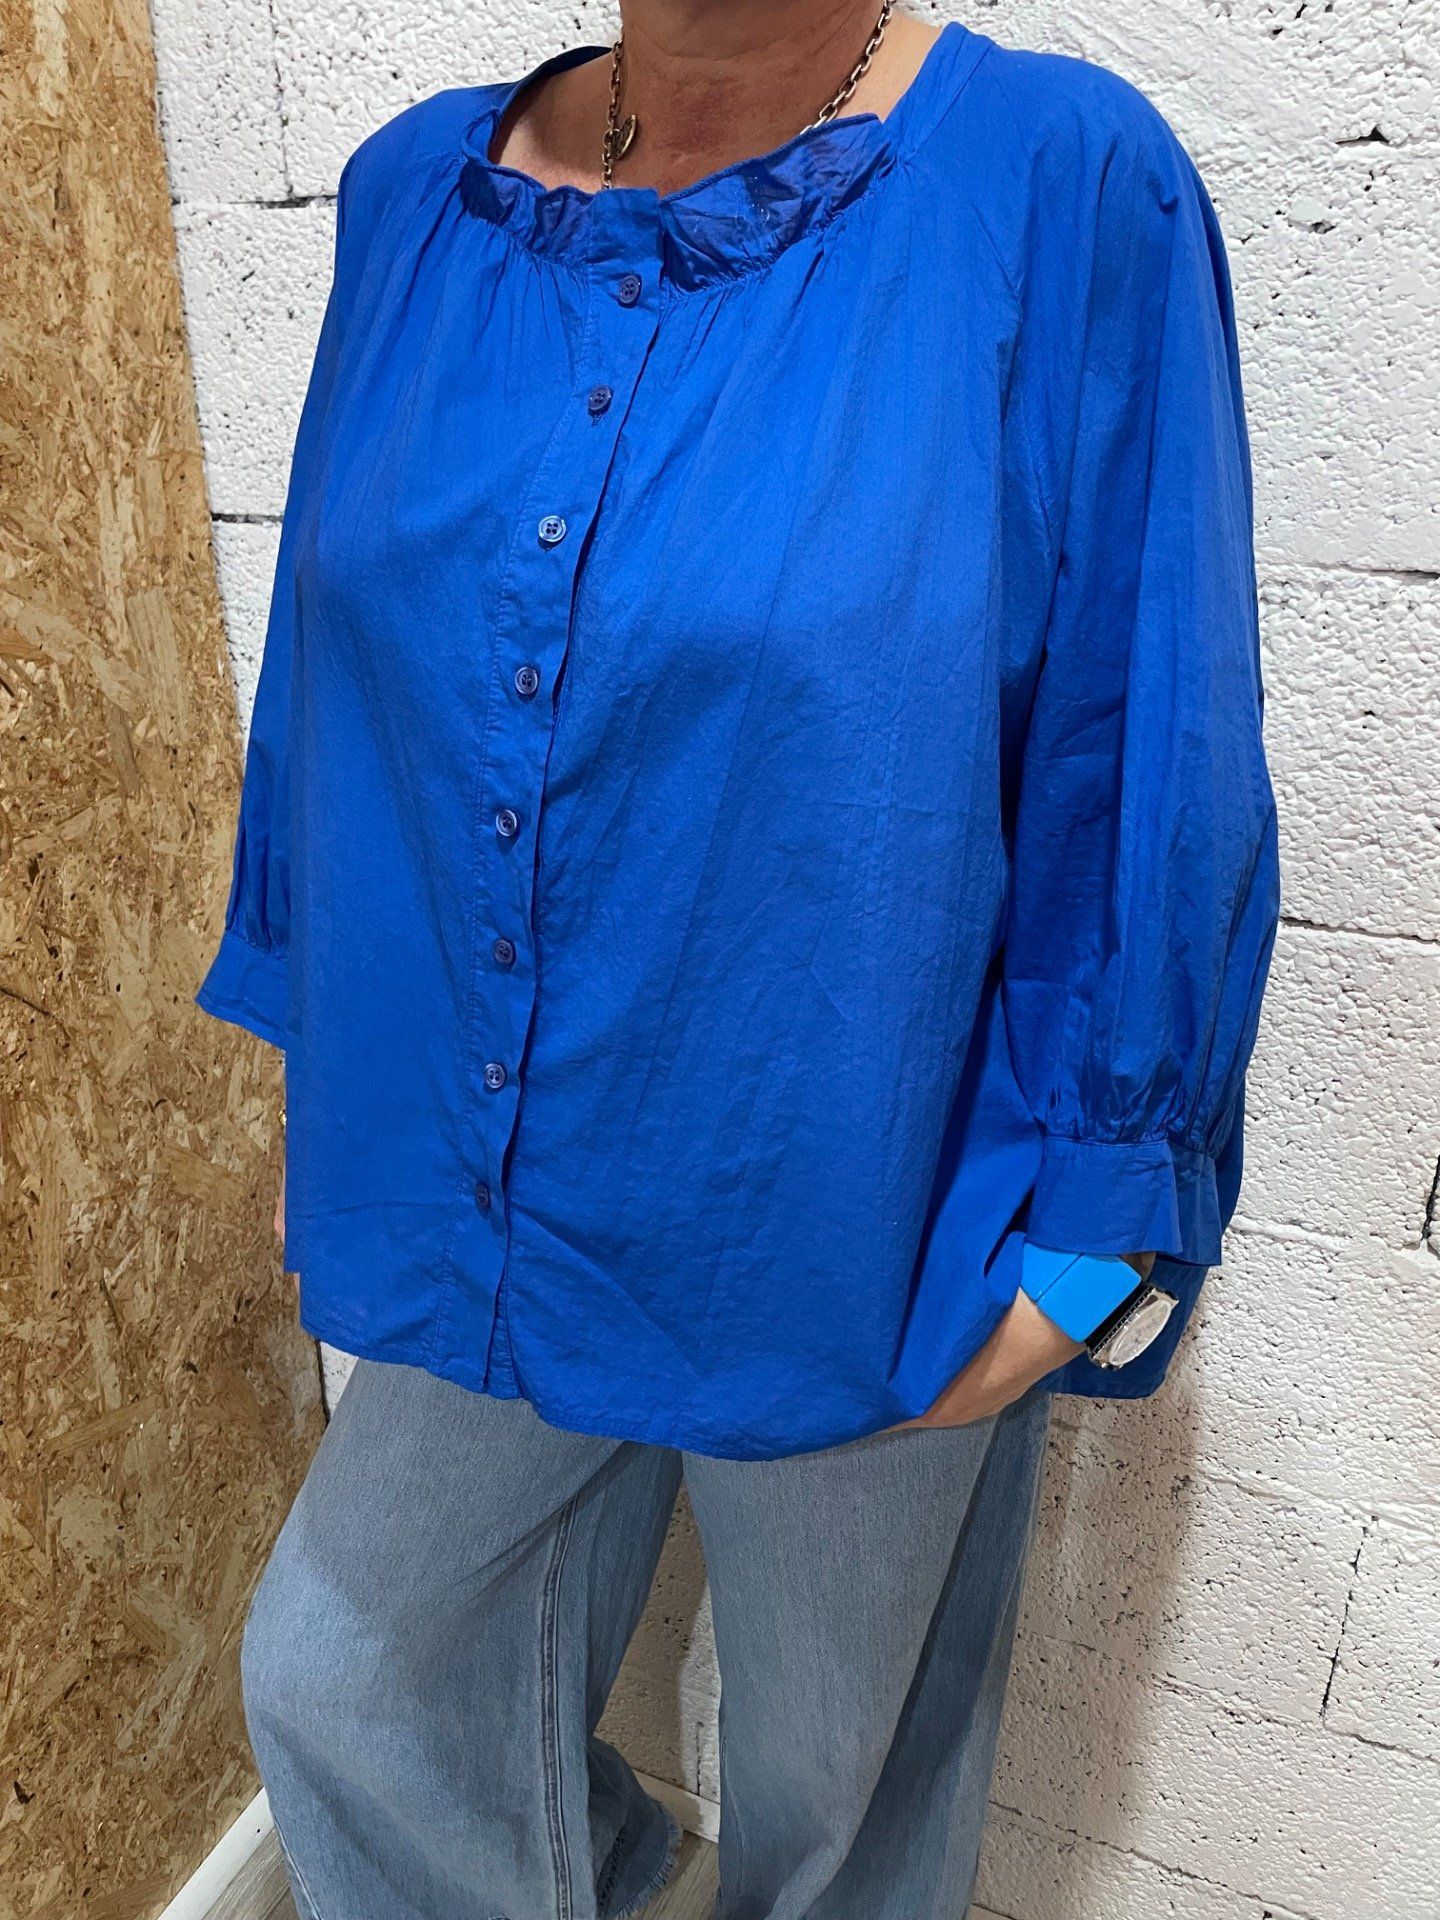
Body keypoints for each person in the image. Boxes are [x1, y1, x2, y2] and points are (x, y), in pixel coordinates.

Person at [196, 4, 1279, 1916]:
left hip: (866, 1182)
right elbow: (328, 668)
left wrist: (1111, 1208)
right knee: (354, 1687)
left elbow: (1148, 706)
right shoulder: (412, 197)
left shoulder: (1056, 181)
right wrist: (332, 1064)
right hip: (483, 1161)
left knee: (835, 1807)